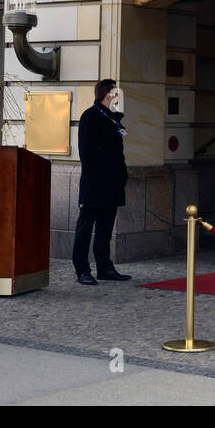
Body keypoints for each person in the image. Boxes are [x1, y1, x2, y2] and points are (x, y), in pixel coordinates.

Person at [72, 78, 132, 285]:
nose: (119, 93)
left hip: (112, 183)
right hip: (95, 183)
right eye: (116, 90)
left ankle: (105, 267)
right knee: (86, 228)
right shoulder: (90, 116)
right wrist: (93, 181)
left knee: (105, 229)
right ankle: (82, 269)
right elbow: (86, 153)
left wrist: (121, 176)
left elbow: (117, 152)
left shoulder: (113, 117)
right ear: (108, 93)